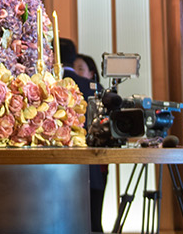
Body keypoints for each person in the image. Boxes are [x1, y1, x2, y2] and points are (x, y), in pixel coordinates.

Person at [58, 38, 104, 233]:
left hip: (58, 165)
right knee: (93, 221)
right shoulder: (93, 87)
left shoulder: (52, 84)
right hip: (91, 164)